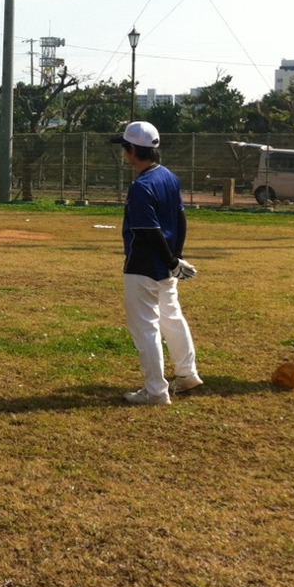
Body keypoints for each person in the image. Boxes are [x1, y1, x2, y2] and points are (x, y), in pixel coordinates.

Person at [113, 121, 201, 405]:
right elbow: (181, 218)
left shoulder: (141, 186)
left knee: (146, 327)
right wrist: (175, 258)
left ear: (133, 150)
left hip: (143, 265)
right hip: (166, 267)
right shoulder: (169, 177)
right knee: (171, 318)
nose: (125, 154)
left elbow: (148, 231)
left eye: (126, 148)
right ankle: (187, 374)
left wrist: (171, 258)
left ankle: (155, 390)